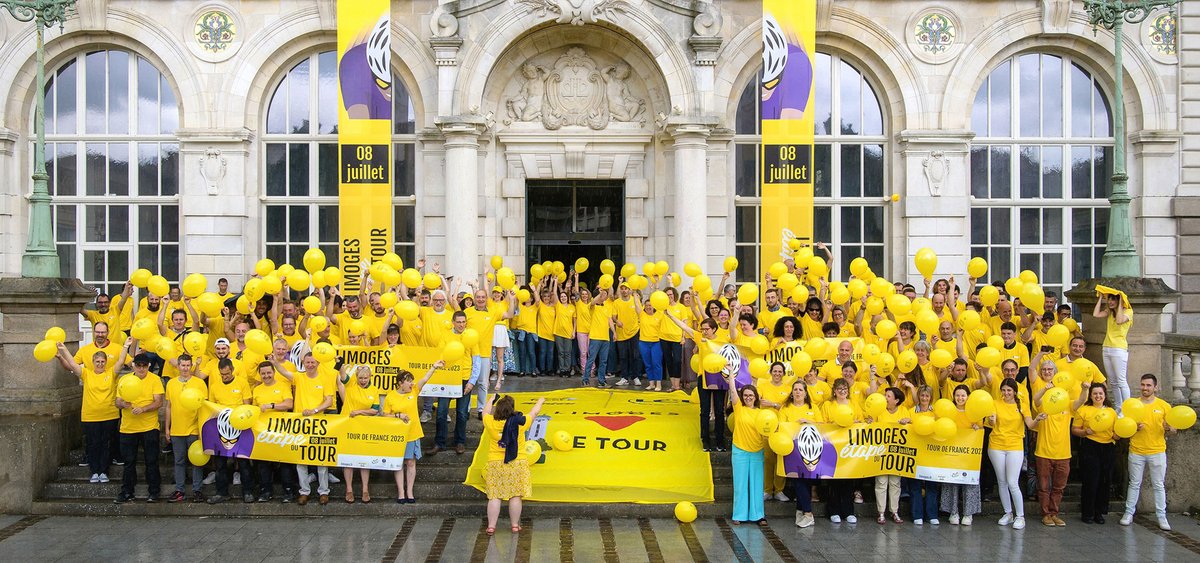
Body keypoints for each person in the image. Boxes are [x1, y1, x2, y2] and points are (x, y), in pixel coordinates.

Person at [55, 339, 127, 484]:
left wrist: (125, 346)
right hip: (90, 416)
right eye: (97, 362)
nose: (100, 364)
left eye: (102, 362)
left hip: (109, 415)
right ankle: (95, 471)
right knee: (93, 444)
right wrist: (63, 350)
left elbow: (120, 361)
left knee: (106, 444)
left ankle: (104, 471)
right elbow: (73, 365)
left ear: (106, 362)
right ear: (93, 362)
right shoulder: (87, 374)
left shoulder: (111, 373)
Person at [482, 394, 545, 535]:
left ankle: (491, 526)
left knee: (494, 496)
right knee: (515, 496)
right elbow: (534, 413)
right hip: (517, 462)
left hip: (495, 463)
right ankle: (515, 525)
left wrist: (491, 400)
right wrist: (540, 401)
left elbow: (484, 412)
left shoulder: (490, 422)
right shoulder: (520, 423)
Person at [984, 377, 1042, 530]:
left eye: (1009, 390)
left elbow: (1029, 424)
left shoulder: (1022, 404)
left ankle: (1020, 516)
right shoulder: (995, 403)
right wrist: (991, 419)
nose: (1006, 393)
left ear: (1015, 391)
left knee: (1012, 482)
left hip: (1015, 446)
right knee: (1002, 481)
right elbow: (991, 423)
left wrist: (1038, 419)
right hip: (996, 445)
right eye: (1003, 390)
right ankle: (1008, 513)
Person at [1120, 374, 1175, 531]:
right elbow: (1124, 427)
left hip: (1157, 451)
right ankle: (1129, 513)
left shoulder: (1164, 406)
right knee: (1134, 483)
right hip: (1136, 450)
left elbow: (1173, 430)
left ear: (1155, 387)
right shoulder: (1133, 404)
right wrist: (1134, 428)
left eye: (1148, 385)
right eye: (1143, 385)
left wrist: (1168, 429)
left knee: (1158, 485)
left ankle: (1161, 516)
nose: (1145, 388)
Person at [278, 353, 334, 506]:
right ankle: (304, 491)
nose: (310, 365)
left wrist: (315, 410)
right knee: (300, 459)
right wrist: (273, 362)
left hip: (319, 423)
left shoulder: (324, 379)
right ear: (303, 362)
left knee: (321, 459)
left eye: (312, 362)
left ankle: (323, 492)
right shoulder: (299, 377)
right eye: (307, 362)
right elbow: (283, 371)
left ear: (317, 363)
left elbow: (329, 400)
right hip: (300, 424)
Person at [384, 363, 440, 504]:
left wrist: (434, 367)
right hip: (397, 435)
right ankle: (401, 492)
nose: (411, 383)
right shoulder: (390, 397)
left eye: (412, 380)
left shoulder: (414, 391)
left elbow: (425, 378)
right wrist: (398, 415)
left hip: (412, 433)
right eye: (408, 381)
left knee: (410, 462)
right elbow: (385, 416)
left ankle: (409, 491)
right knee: (398, 463)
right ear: (400, 383)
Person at [113, 353, 165, 503]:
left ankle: (154, 491)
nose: (141, 368)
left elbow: (158, 402)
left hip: (149, 427)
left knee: (151, 461)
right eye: (138, 365)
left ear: (149, 366)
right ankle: (127, 491)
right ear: (134, 366)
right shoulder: (125, 380)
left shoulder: (155, 379)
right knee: (129, 462)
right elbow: (117, 401)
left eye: (144, 365)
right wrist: (124, 404)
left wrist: (143, 409)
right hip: (128, 428)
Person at [205, 358, 254, 504]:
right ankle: (221, 492)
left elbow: (247, 405)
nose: (224, 377)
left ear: (232, 370)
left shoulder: (242, 383)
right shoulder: (214, 386)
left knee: (243, 462)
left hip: (240, 427)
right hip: (221, 427)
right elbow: (212, 408)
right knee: (220, 463)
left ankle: (248, 492)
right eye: (221, 374)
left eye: (226, 374)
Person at [1031, 360, 1072, 527]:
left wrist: (1084, 389)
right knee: (1043, 485)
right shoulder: (1043, 396)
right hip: (1044, 450)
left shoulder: (1065, 398)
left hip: (1063, 452)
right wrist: (1045, 389)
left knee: (1059, 486)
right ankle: (1045, 514)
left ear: (1056, 372)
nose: (1047, 372)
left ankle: (1054, 513)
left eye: (1050, 369)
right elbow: (1036, 400)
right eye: (1045, 370)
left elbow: (1079, 402)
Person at [164, 354, 208, 503]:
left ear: (191, 366)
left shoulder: (199, 383)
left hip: (194, 428)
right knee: (179, 461)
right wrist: (167, 428)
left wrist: (202, 428)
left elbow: (204, 407)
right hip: (177, 429)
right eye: (183, 365)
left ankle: (197, 490)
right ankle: (179, 490)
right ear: (178, 366)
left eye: (188, 365)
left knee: (197, 460)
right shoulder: (171, 383)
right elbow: (168, 407)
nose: (185, 368)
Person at [778, 380, 822, 528]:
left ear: (805, 392)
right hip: (792, 450)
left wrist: (808, 421)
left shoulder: (813, 408)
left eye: (800, 390)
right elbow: (781, 426)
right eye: (795, 389)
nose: (797, 392)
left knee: (806, 480)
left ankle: (807, 513)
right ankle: (803, 511)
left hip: (810, 450)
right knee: (798, 479)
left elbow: (822, 426)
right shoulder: (785, 408)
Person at [251, 361, 297, 503]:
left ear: (274, 372)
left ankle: (288, 491)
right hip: (262, 432)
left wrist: (272, 406)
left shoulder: (283, 386)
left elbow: (289, 404)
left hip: (282, 430)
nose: (266, 376)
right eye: (263, 373)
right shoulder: (257, 390)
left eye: (268, 372)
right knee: (263, 463)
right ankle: (266, 491)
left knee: (284, 462)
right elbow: (253, 410)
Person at [726, 372, 766, 526]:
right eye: (746, 395)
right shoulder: (739, 408)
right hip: (740, 450)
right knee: (740, 483)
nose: (748, 397)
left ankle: (758, 515)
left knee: (756, 484)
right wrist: (731, 377)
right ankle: (739, 514)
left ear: (756, 397)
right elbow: (733, 391)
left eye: (751, 395)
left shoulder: (761, 413)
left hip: (757, 450)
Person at [338, 364, 383, 503]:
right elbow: (343, 375)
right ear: (356, 377)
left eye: (365, 378)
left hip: (364, 427)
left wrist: (359, 412)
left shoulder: (374, 390)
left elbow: (375, 410)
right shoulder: (351, 384)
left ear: (370, 377)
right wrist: (340, 365)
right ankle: (349, 489)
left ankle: (365, 489)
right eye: (360, 378)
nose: (363, 380)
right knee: (348, 459)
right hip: (348, 425)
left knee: (364, 459)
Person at [1073, 382, 1116, 524]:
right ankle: (1087, 512)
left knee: (1105, 481)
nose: (1098, 396)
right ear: (1091, 395)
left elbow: (1116, 433)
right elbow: (1074, 430)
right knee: (1091, 481)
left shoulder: (1111, 411)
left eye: (1100, 394)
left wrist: (1119, 435)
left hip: (1108, 446)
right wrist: (1085, 432)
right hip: (1090, 446)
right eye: (1095, 393)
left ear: (1105, 395)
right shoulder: (1083, 410)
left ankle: (1100, 512)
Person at [941, 384, 982, 525]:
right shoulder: (949, 411)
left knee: (969, 482)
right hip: (952, 453)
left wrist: (977, 428)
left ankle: (968, 513)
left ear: (968, 397)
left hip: (969, 454)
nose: (960, 398)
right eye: (957, 395)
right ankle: (953, 512)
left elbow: (980, 429)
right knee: (951, 482)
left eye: (963, 395)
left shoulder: (975, 412)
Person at [822, 378, 861, 523]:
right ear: (834, 391)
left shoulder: (853, 403)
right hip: (833, 445)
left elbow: (860, 420)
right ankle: (833, 510)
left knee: (848, 480)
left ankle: (848, 511)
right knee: (834, 481)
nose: (842, 391)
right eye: (839, 389)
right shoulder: (828, 404)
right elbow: (823, 423)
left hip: (849, 447)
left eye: (845, 389)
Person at [870, 387, 911, 524]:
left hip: (897, 454)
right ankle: (881, 512)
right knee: (881, 483)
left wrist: (907, 422)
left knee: (895, 483)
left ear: (896, 400)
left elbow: (911, 427)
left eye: (888, 396)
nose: (885, 398)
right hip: (881, 453)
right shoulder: (879, 410)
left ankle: (894, 511)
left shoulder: (904, 410)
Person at [1093, 290, 1132, 412]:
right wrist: (1100, 298)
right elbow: (1095, 314)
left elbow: (1120, 320)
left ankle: (1127, 409)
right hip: (1107, 347)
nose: (1109, 302)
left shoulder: (1128, 312)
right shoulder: (1109, 312)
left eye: (1112, 299)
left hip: (1119, 349)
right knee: (1113, 382)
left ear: (1119, 301)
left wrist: (1120, 302)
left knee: (1121, 380)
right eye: (1108, 299)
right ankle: (1118, 407)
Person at [905, 385, 939, 525]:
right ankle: (917, 514)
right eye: (922, 395)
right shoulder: (911, 411)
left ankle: (932, 515)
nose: (924, 398)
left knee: (932, 485)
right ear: (918, 396)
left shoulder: (936, 413)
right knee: (915, 486)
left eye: (927, 396)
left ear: (931, 398)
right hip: (916, 454)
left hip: (932, 454)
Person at [635, 293, 664, 391]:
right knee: (647, 364)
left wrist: (655, 287)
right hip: (643, 342)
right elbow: (637, 305)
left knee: (656, 363)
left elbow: (659, 299)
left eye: (650, 305)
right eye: (646, 305)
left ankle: (658, 384)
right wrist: (635, 294)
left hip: (656, 342)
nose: (648, 307)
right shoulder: (642, 314)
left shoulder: (659, 314)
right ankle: (651, 383)